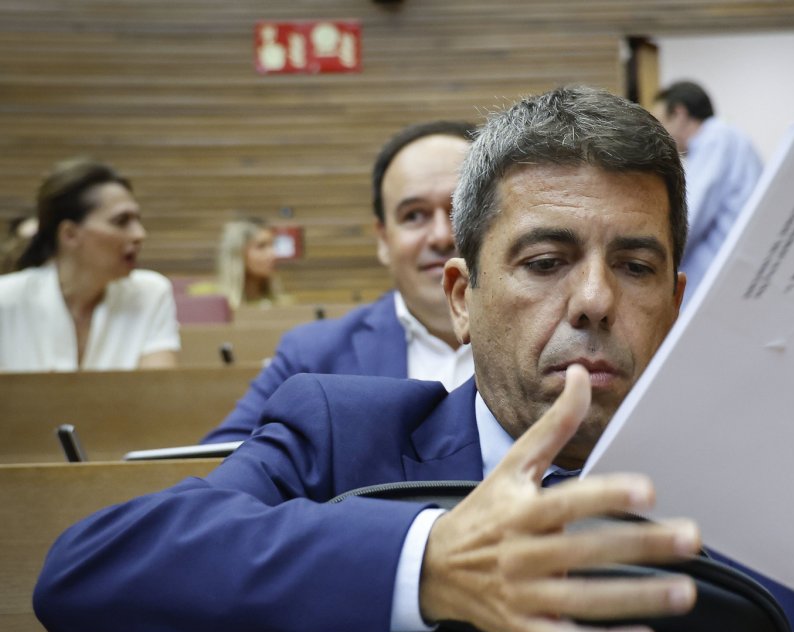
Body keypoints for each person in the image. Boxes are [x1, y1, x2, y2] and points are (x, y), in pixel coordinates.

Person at [35, 88, 794, 632]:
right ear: (459, 295)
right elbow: (90, 580)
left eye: (635, 266)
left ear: (678, 298)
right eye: (544, 262)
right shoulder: (341, 435)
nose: (593, 300)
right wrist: (428, 561)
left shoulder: (793, 502)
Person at [201, 121, 476, 443]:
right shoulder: (312, 357)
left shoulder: (545, 342)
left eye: (461, 210)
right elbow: (219, 465)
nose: (442, 236)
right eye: (414, 215)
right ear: (383, 240)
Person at [0, 159, 179, 372]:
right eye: (121, 221)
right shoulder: (6, 300)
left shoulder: (150, 294)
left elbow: (156, 397)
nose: (140, 234)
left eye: (137, 220)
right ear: (70, 234)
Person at [652, 80, 762, 295]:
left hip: (726, 280)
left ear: (679, 114)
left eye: (660, 121)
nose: (660, 133)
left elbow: (689, 217)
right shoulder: (723, 139)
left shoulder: (716, 137)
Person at [212, 217, 285, 310]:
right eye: (261, 246)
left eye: (273, 245)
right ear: (237, 252)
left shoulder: (283, 303)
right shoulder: (209, 302)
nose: (273, 254)